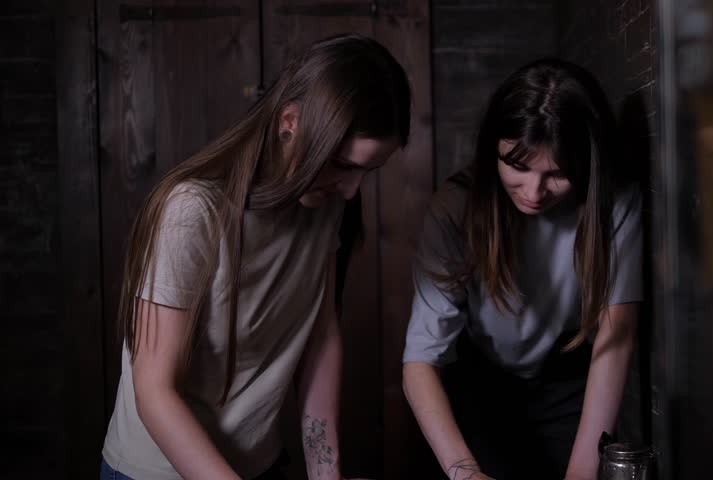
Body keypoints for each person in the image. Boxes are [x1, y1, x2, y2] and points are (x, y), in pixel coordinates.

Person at [100, 33, 410, 480]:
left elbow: (320, 337)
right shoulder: (191, 211)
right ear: (290, 122)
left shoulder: (328, 207)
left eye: (368, 170)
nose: (352, 189)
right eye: (343, 165)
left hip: (256, 466)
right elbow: (154, 392)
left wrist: (327, 473)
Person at [402, 59, 642, 480]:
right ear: (492, 149)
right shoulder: (455, 208)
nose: (533, 192)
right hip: (480, 382)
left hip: (569, 380)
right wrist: (464, 473)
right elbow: (420, 361)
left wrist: (583, 473)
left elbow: (616, 333)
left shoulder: (614, 201)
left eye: (558, 174)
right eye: (517, 165)